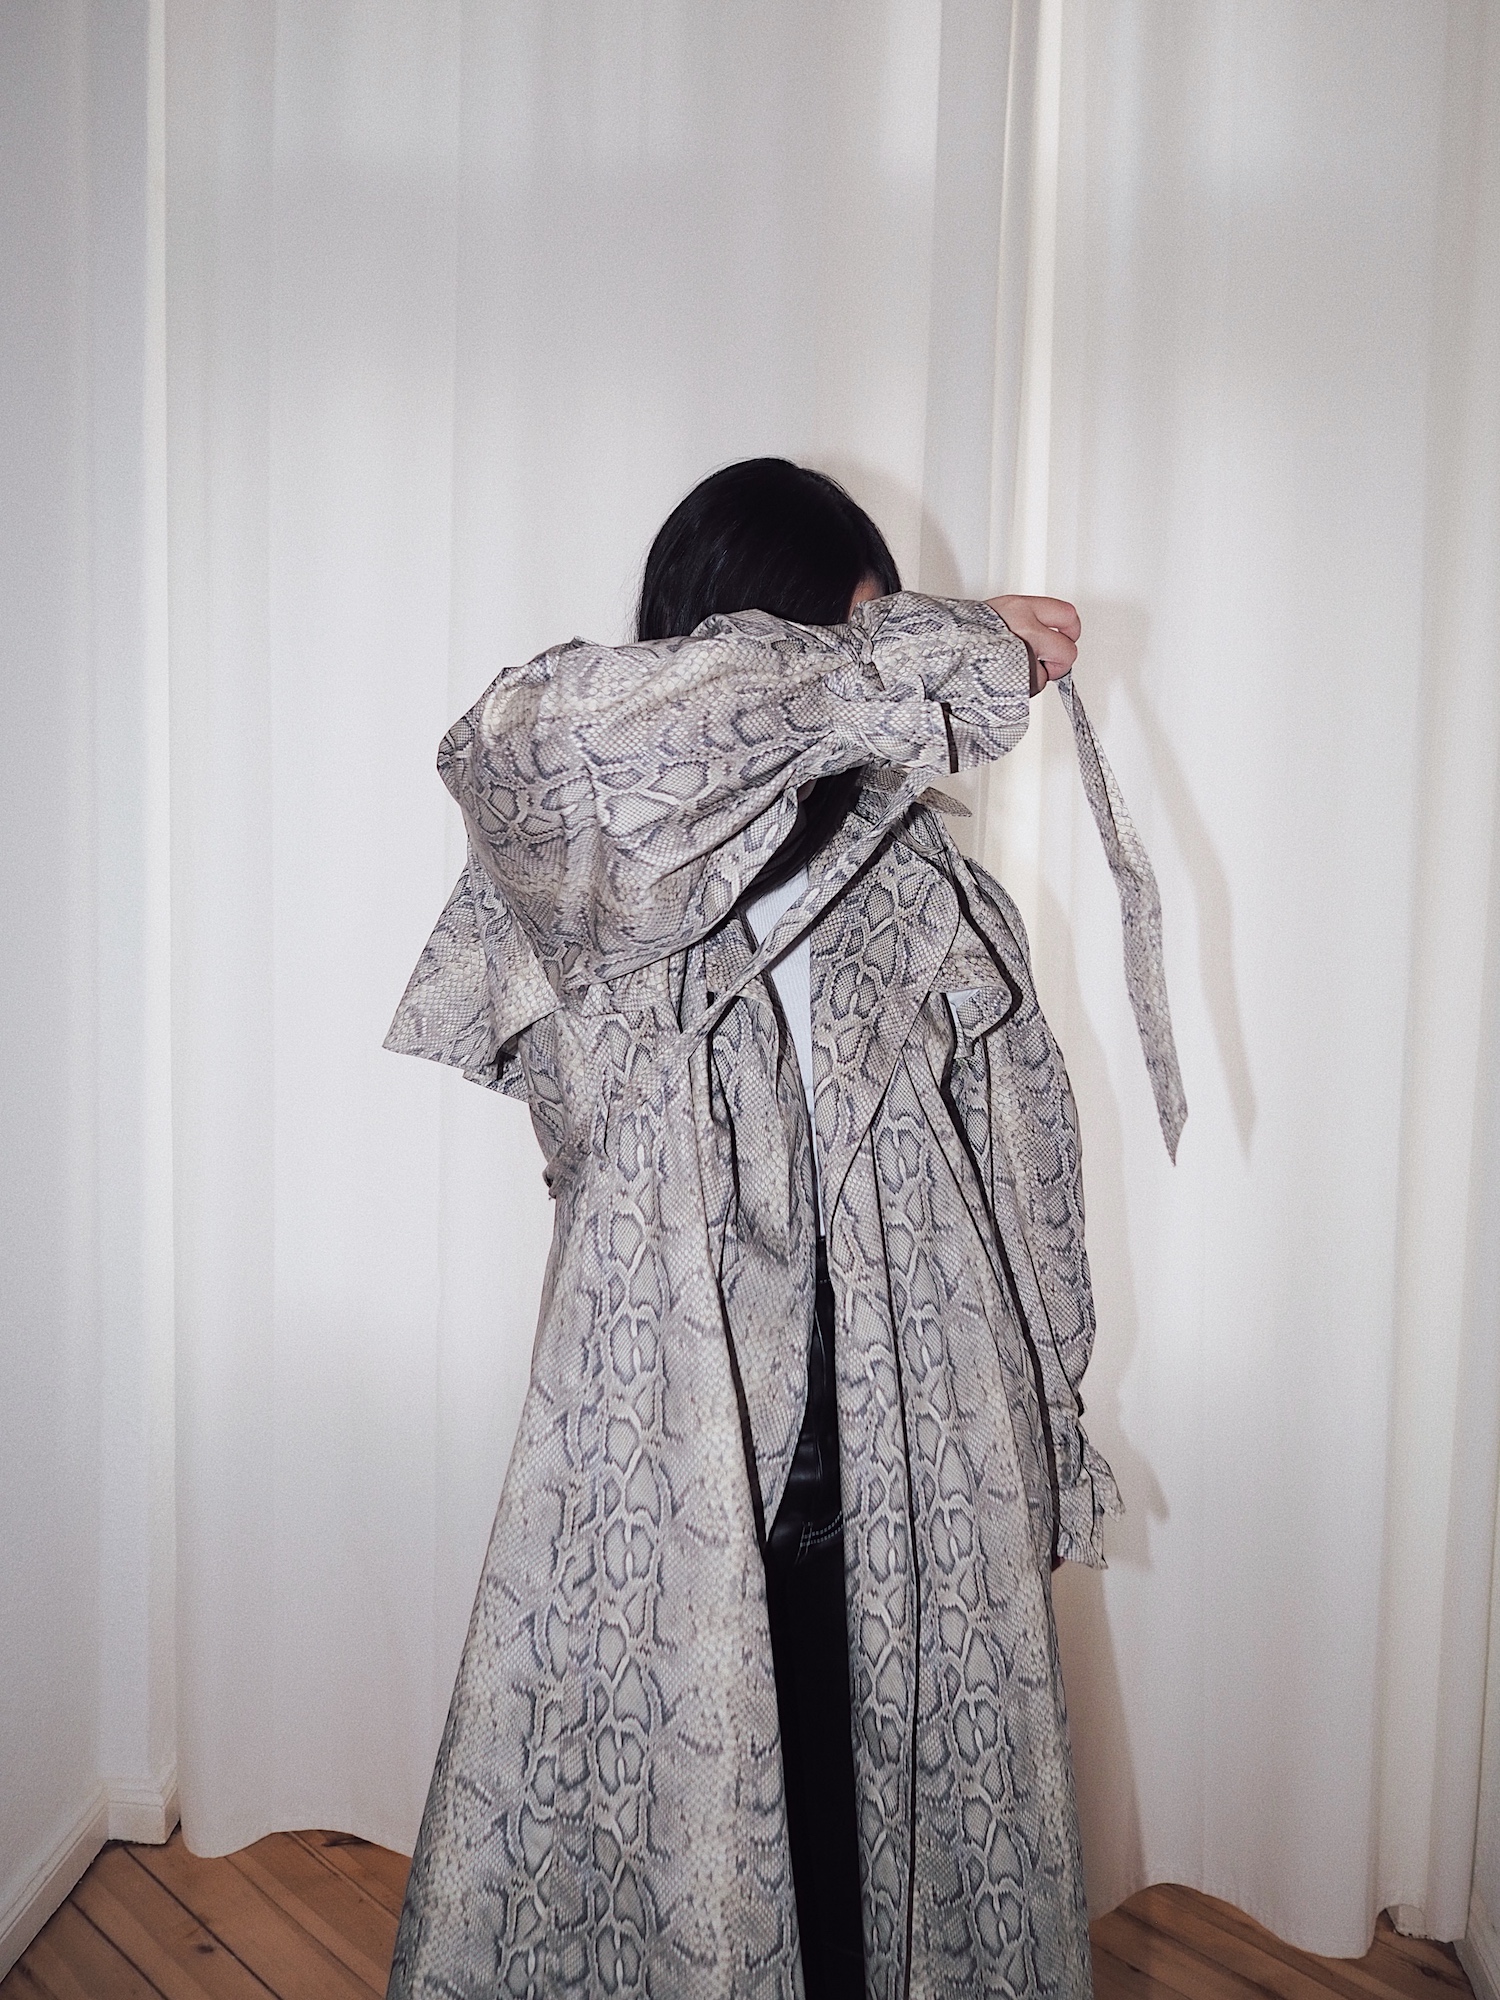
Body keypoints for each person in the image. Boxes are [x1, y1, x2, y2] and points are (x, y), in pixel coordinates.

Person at [383, 459, 1184, 2000]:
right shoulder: (599, 868)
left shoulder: (930, 888)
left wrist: (1046, 1426)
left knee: (867, 1863)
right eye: (841, 633)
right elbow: (528, 736)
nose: (873, 678)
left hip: (910, 1455)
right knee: (686, 1856)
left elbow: (1027, 1180)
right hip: (667, 1450)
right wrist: (912, 652)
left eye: (883, 634)